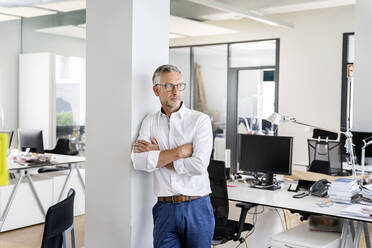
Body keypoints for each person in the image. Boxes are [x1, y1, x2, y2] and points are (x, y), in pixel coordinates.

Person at [131, 64, 214, 248]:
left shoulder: (199, 121)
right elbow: (138, 161)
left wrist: (156, 155)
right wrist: (180, 152)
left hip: (197, 206)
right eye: (169, 86)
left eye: (179, 85)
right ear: (156, 90)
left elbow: (199, 165)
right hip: (164, 209)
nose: (175, 91)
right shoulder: (149, 121)